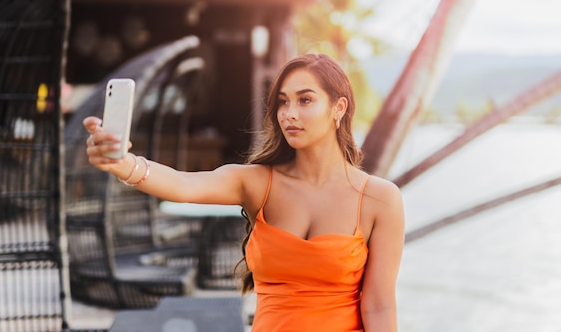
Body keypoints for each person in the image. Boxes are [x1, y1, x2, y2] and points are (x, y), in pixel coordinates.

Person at [84, 53, 405, 332]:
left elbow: (379, 306)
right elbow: (184, 185)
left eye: (305, 100)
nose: (289, 113)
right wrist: (124, 164)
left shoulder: (379, 199)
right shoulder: (256, 183)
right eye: (283, 101)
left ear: (339, 108)